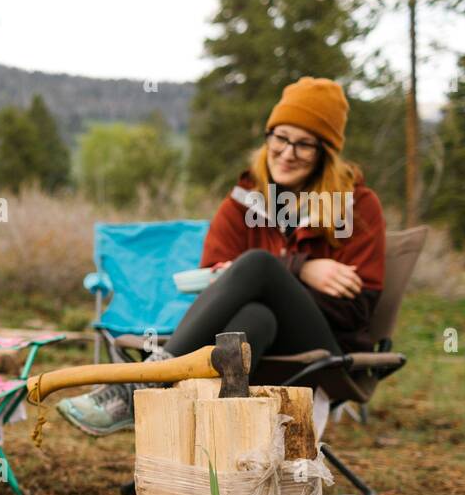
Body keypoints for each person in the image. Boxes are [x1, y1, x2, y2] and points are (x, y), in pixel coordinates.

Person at [58, 76, 387, 435]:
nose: (288, 152)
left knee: (258, 264)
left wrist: (283, 274)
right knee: (255, 315)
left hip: (325, 348)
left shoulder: (354, 206)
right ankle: (216, 445)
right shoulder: (242, 202)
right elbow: (214, 287)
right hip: (259, 336)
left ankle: (140, 383)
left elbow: (357, 312)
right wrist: (300, 270)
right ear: (268, 137)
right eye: (280, 137)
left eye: (305, 144)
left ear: (326, 152)